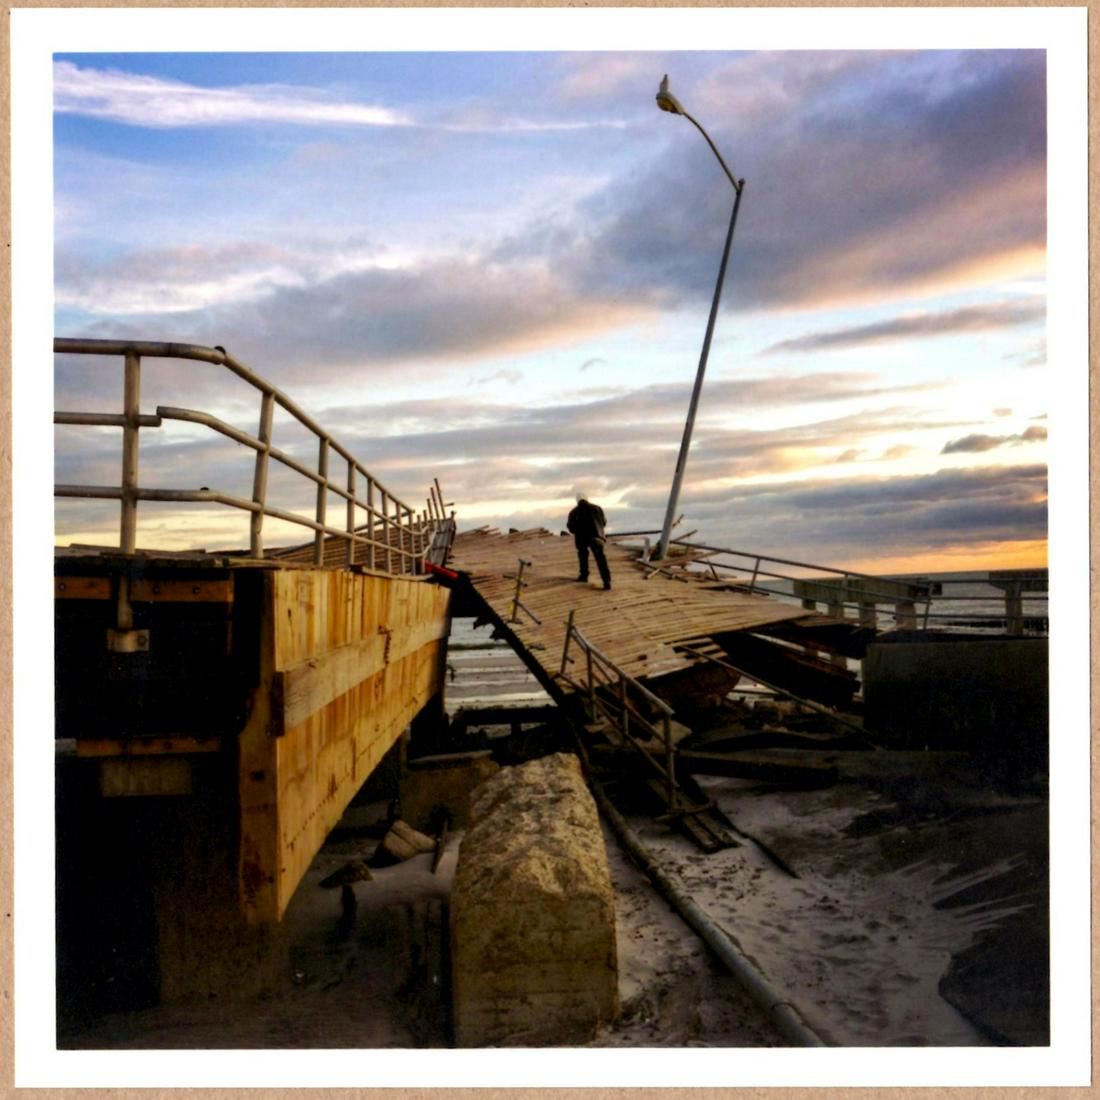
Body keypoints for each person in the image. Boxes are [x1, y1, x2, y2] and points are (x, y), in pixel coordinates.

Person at [567, 491, 612, 590]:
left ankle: (584, 575)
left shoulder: (574, 512)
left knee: (583, 555)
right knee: (600, 558)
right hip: (596, 537)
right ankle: (606, 581)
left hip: (581, 538)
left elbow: (571, 528)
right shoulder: (597, 508)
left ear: (577, 500)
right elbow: (603, 522)